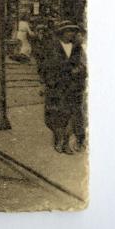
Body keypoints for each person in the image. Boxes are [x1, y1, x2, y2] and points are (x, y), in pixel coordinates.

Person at [39, 20, 87, 154]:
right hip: (56, 87)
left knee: (71, 115)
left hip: (73, 87)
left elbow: (84, 66)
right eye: (68, 31)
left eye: (73, 31)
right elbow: (44, 66)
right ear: (61, 33)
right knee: (55, 116)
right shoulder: (51, 47)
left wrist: (79, 70)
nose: (71, 34)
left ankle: (65, 142)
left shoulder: (77, 48)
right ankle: (58, 140)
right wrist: (43, 83)